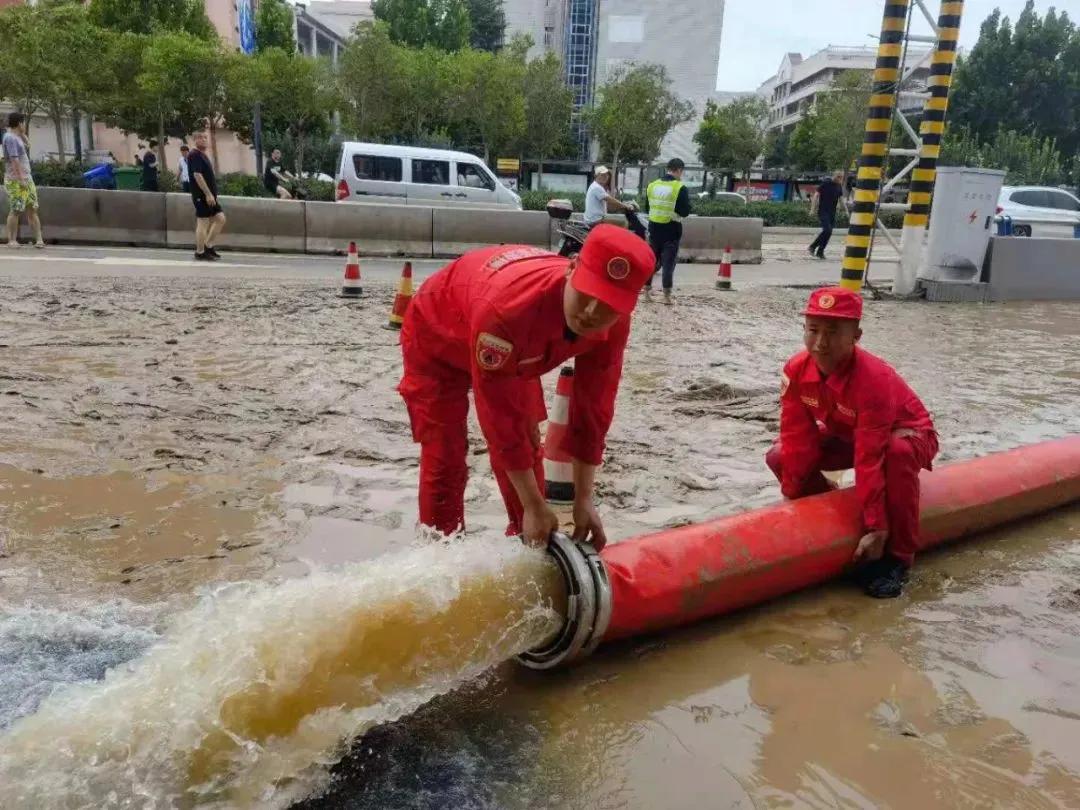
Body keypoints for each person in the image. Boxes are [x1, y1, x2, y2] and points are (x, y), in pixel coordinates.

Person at [398, 224, 655, 549]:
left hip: (515, 348)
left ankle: (528, 545)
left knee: (529, 440)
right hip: (438, 333)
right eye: (586, 295)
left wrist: (584, 497)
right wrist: (534, 505)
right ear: (572, 268)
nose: (591, 314)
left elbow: (595, 405)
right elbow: (499, 420)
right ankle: (440, 556)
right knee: (445, 454)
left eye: (607, 306)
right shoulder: (508, 312)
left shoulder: (614, 322)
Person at [765, 286, 938, 598]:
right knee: (779, 456)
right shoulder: (795, 369)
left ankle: (900, 557)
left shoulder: (873, 379)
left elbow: (869, 457)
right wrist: (793, 493)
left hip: (907, 432)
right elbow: (796, 436)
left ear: (856, 335)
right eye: (813, 330)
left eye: (833, 332)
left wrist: (878, 529)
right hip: (849, 432)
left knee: (896, 453)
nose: (820, 343)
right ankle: (831, 512)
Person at [644, 157, 691, 305]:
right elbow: (684, 212)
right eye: (681, 171)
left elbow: (647, 208)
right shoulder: (679, 187)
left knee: (651, 261)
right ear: (678, 170)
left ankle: (646, 291)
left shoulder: (652, 185)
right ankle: (666, 296)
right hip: (671, 230)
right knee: (668, 263)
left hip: (653, 229)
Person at [2, 112, 44, 249]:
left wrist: (23, 134)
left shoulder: (17, 136)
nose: (24, 125)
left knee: (32, 208)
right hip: (16, 180)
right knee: (16, 209)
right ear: (19, 123)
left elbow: (28, 146)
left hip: (27, 177)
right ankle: (12, 240)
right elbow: (14, 160)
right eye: (23, 122)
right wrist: (21, 179)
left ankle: (39, 239)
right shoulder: (10, 138)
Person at [186, 129, 226, 262]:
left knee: (220, 219)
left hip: (210, 196)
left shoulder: (202, 154)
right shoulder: (194, 155)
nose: (204, 139)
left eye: (205, 137)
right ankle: (200, 251)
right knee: (203, 223)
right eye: (200, 138)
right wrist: (208, 194)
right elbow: (197, 175)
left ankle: (208, 245)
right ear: (194, 140)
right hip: (201, 195)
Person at [808, 171, 844, 259]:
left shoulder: (839, 186)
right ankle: (812, 247)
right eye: (838, 176)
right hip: (823, 211)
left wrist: (845, 210)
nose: (840, 179)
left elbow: (841, 199)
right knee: (827, 230)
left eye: (841, 177)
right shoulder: (825, 183)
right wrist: (812, 209)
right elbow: (816, 195)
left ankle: (820, 252)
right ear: (834, 176)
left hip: (832, 212)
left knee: (829, 232)